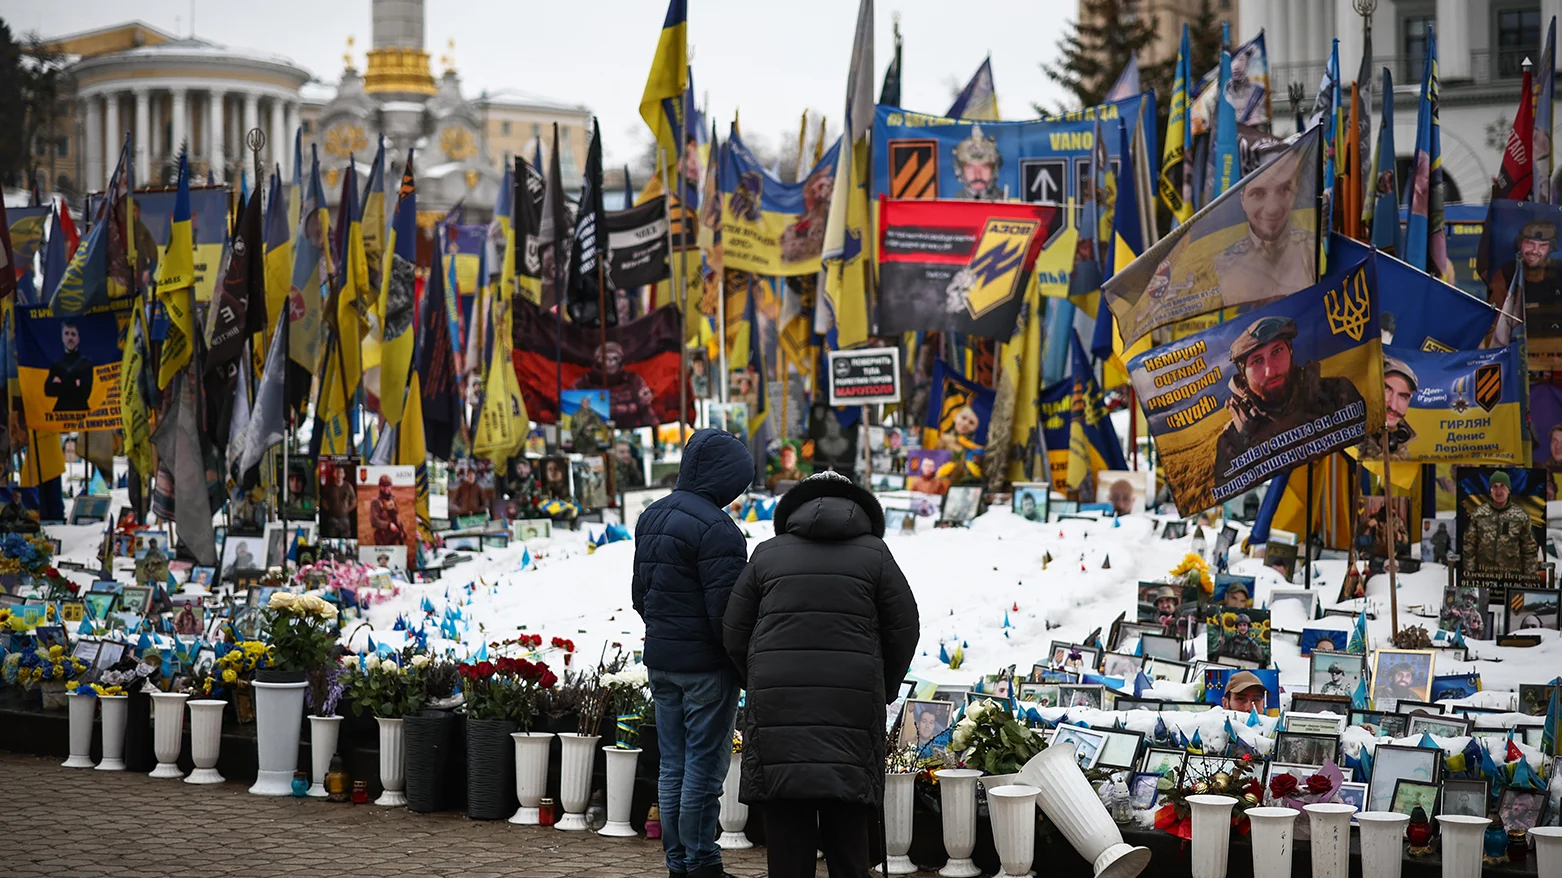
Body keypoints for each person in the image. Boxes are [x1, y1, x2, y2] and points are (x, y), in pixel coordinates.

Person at [722, 469, 919, 878]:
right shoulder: (875, 555)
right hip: (851, 709)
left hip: (779, 710)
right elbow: (904, 628)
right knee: (848, 834)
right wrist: (883, 685)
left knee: (787, 836)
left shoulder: (767, 554)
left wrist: (756, 679)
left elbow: (734, 630)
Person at [631, 429, 754, 878]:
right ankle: (701, 862)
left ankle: (678, 863)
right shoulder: (719, 529)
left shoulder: (652, 515)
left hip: (662, 662)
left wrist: (664, 633)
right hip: (706, 668)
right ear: (727, 478)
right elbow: (728, 614)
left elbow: (640, 595)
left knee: (673, 767)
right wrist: (742, 663)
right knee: (704, 767)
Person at [1211, 316, 1365, 485]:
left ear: (1290, 351)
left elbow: (1367, 454)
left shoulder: (1338, 394)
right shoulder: (1233, 440)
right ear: (1243, 376)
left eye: (1277, 351)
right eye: (1257, 361)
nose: (1270, 371)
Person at [1212, 147, 1315, 297]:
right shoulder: (1219, 266)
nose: (1272, 208)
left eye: (1284, 190)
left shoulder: (1315, 251)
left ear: (1296, 192)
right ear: (1242, 199)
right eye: (1258, 193)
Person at [1462, 470, 1540, 576]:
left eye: (1502, 486)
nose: (1498, 491)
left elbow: (1529, 549)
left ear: (1509, 490)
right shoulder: (1479, 514)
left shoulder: (1520, 516)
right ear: (1490, 491)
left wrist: (1529, 578)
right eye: (1495, 486)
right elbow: (1469, 545)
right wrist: (1470, 574)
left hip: (1512, 578)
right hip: (1484, 577)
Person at [1488, 221, 1562, 330]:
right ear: (1519, 244)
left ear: (1551, 248)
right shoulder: (1507, 273)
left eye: (1543, 245)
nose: (1535, 251)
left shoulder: (1558, 272)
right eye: (1529, 243)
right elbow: (1495, 323)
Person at [573, 341, 656, 427]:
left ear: (620, 359)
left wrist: (654, 430)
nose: (610, 362)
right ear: (598, 360)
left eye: (615, 358)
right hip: (596, 431)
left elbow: (646, 409)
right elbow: (572, 411)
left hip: (629, 430)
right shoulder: (584, 382)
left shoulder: (634, 380)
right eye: (605, 358)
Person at [45, 320, 95, 412]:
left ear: (78, 339)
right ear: (62, 338)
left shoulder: (86, 363)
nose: (70, 338)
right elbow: (48, 391)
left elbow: (85, 393)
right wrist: (75, 383)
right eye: (67, 334)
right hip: (60, 413)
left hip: (81, 413)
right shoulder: (56, 364)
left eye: (73, 334)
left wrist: (60, 384)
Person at [952, 123, 1003, 200]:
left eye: (985, 167)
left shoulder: (1007, 202)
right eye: (970, 167)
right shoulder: (952, 202)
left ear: (994, 170)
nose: (978, 175)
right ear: (960, 171)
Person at [369, 475, 408, 546]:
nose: (386, 488)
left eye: (388, 485)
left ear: (391, 486)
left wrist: (403, 530)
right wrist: (388, 525)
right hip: (383, 537)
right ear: (379, 486)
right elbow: (374, 521)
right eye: (383, 485)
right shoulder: (375, 501)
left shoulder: (392, 499)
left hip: (395, 535)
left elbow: (397, 516)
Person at [320, 465, 356, 539]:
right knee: (332, 540)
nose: (339, 474)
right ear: (334, 474)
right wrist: (330, 510)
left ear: (344, 475)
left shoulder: (348, 486)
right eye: (337, 472)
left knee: (346, 540)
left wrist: (347, 510)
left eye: (341, 472)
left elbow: (354, 501)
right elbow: (323, 501)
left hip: (345, 518)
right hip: (332, 519)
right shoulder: (329, 488)